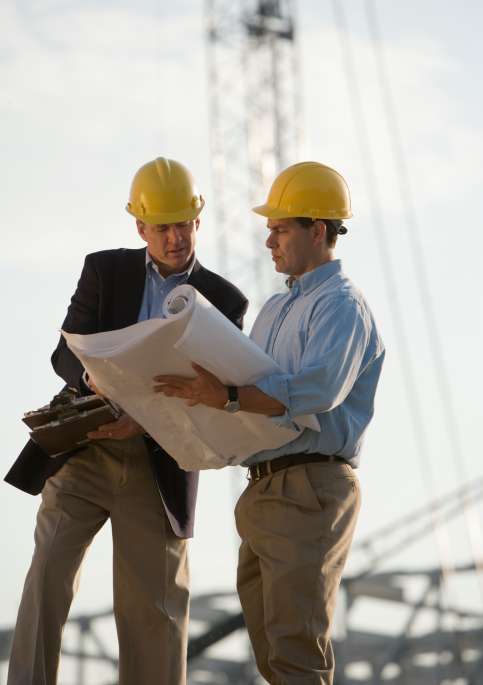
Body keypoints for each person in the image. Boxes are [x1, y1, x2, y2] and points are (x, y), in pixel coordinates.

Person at [4, 157, 248, 685]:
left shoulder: (226, 301)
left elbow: (214, 395)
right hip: (84, 451)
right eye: (162, 227)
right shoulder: (104, 270)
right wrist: (97, 382)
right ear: (140, 227)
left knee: (156, 615)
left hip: (157, 467)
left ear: (198, 221)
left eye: (184, 223)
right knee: (46, 579)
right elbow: (64, 356)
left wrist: (143, 418)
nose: (175, 237)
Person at [153, 161, 385, 685]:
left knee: (295, 652)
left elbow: (318, 390)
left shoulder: (342, 305)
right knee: (274, 656)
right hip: (263, 492)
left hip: (311, 487)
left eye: (279, 229)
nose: (268, 242)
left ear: (317, 230)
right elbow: (250, 396)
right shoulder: (275, 308)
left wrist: (231, 395)